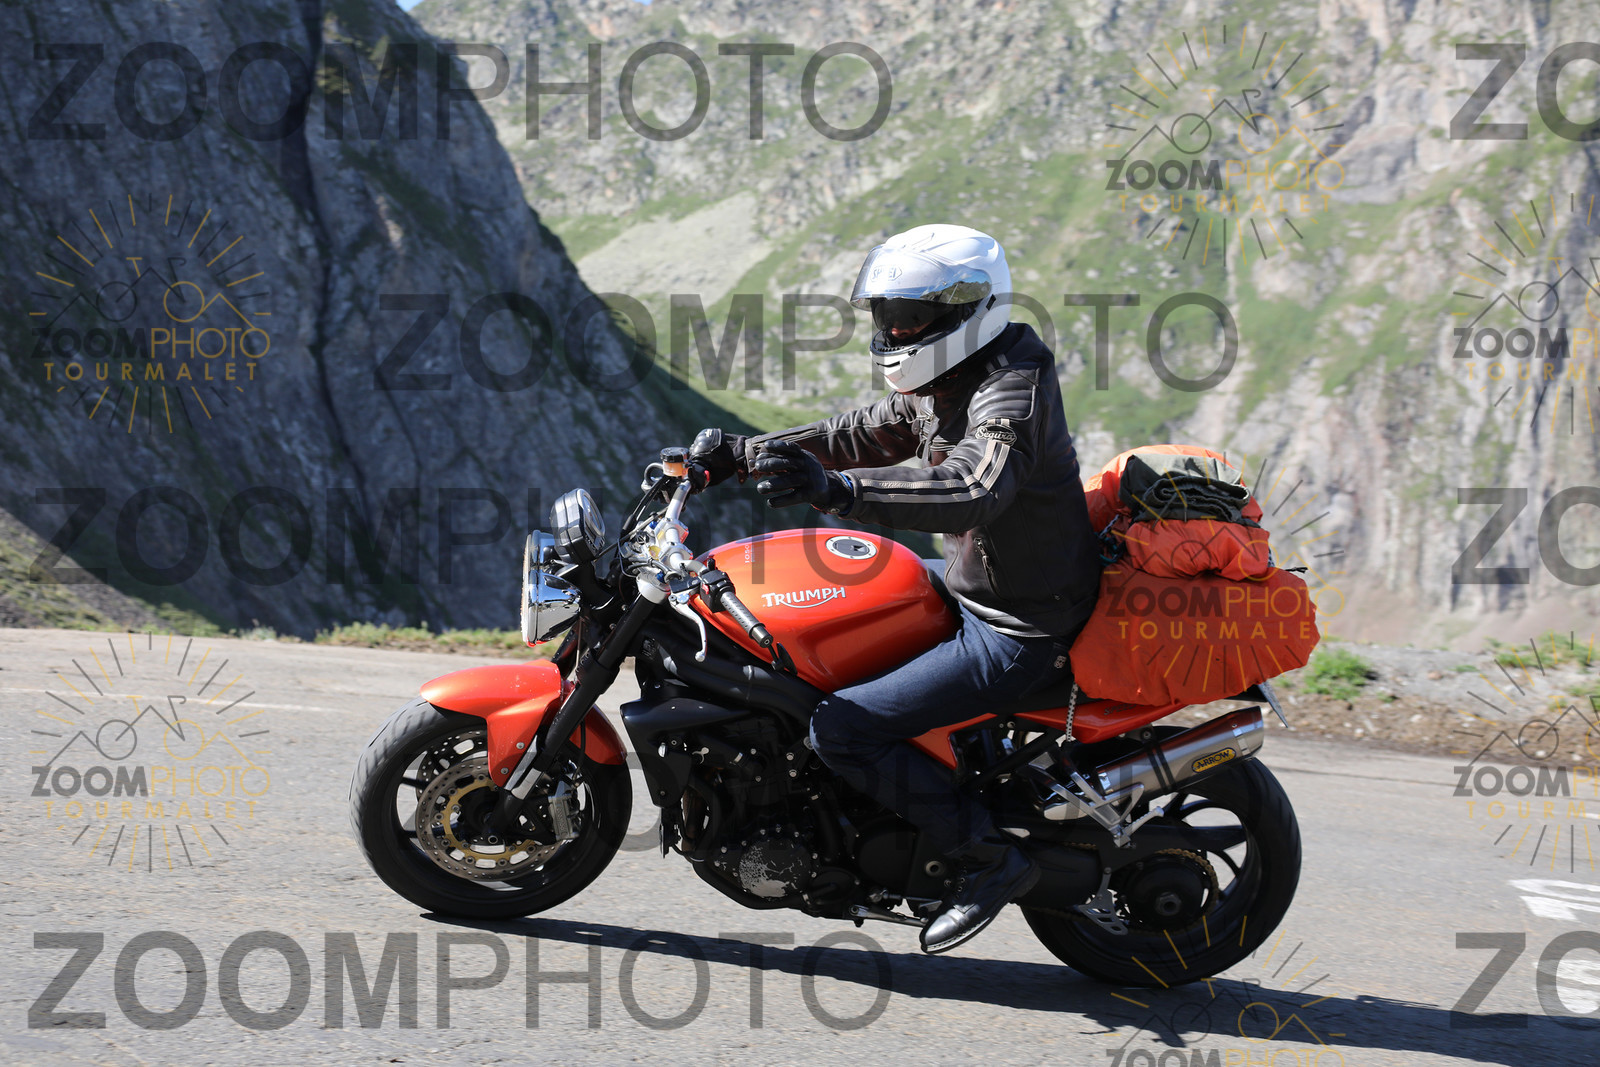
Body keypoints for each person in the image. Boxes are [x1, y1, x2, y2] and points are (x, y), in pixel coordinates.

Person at [689, 224, 1102, 953]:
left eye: (909, 317)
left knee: (843, 727)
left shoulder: (1010, 387)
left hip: (1019, 625)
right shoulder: (951, 375)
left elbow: (972, 487)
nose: (895, 331)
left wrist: (839, 491)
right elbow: (867, 431)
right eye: (887, 316)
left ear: (967, 311)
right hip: (974, 588)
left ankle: (987, 859)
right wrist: (744, 453)